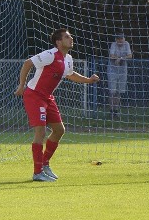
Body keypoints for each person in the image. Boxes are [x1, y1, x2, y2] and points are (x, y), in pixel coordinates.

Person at [14, 29, 100, 182]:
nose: (71, 38)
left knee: (59, 130)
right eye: (67, 37)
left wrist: (88, 80)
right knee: (40, 132)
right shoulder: (50, 55)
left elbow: (71, 74)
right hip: (34, 95)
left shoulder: (68, 59)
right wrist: (22, 85)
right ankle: (37, 172)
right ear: (58, 42)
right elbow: (28, 63)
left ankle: (45, 164)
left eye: (70, 36)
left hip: (48, 97)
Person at [108, 34, 132, 116]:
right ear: (116, 39)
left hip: (122, 71)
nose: (120, 41)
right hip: (112, 70)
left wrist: (120, 58)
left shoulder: (126, 44)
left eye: (121, 39)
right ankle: (111, 110)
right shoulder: (113, 44)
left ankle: (116, 110)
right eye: (118, 39)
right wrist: (118, 58)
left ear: (124, 39)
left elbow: (130, 55)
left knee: (119, 92)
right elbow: (111, 55)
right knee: (112, 91)